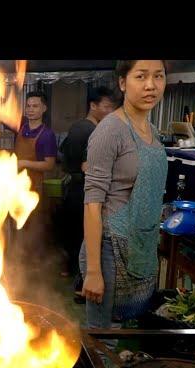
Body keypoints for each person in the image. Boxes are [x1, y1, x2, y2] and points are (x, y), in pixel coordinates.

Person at [79, 60, 168, 329]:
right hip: (108, 250)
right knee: (102, 337)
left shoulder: (152, 131)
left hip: (140, 247)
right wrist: (94, 272)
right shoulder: (110, 131)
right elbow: (92, 204)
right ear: (122, 83)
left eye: (158, 76)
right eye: (141, 76)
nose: (151, 85)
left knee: (130, 334)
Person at [59, 86, 116, 301]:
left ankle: (78, 282)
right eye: (106, 107)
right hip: (82, 190)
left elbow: (64, 156)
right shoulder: (91, 130)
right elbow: (86, 165)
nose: (110, 111)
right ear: (93, 106)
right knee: (85, 238)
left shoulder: (77, 127)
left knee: (76, 236)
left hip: (73, 188)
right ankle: (82, 287)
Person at [10, 91, 58, 267]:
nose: (30, 110)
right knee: (16, 226)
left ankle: (33, 264)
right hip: (15, 187)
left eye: (35, 106)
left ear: (44, 108)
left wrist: (23, 162)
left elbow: (49, 164)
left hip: (34, 189)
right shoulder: (21, 128)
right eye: (28, 106)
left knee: (33, 228)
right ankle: (16, 260)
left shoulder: (47, 135)